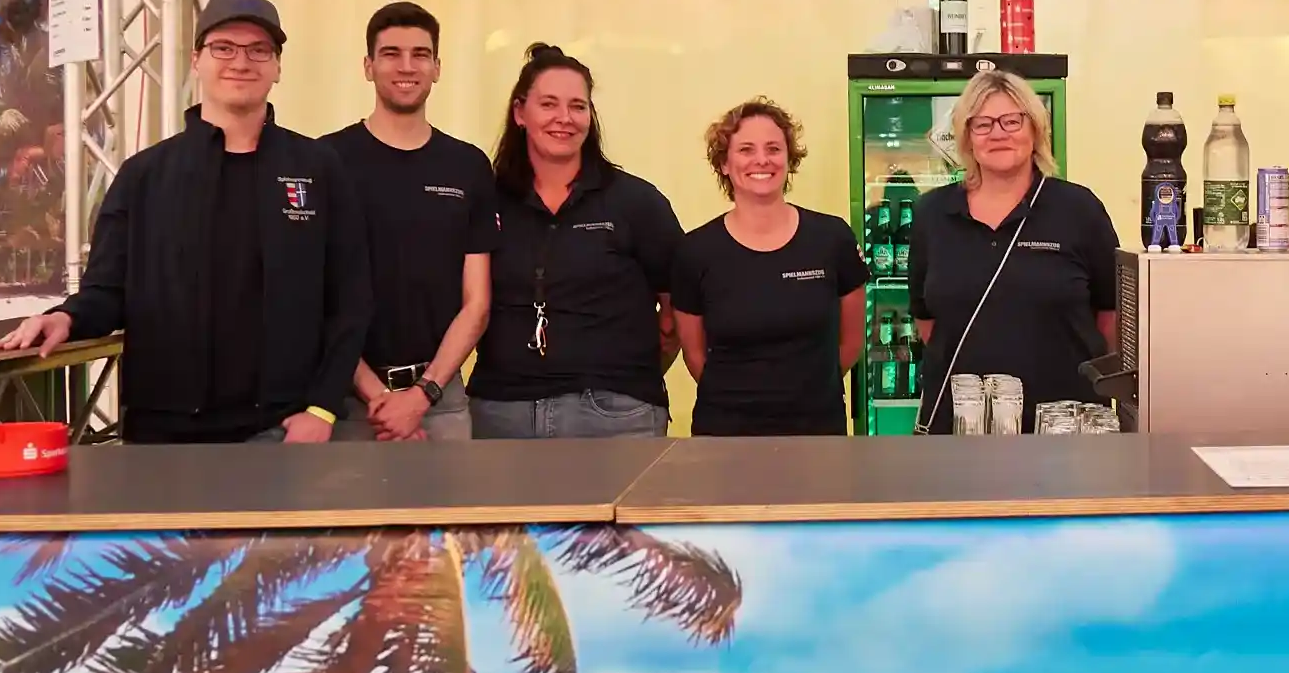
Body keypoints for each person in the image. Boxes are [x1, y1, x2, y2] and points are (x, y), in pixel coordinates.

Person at [0, 0, 370, 444]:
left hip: (284, 429)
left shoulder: (318, 168)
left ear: (277, 67)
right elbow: (106, 292)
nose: (241, 62)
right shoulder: (144, 175)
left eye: (258, 50)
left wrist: (322, 408)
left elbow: (351, 301)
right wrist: (66, 318)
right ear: (196, 60)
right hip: (164, 432)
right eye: (223, 47)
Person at [469, 44, 683, 439]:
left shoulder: (636, 202)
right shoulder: (486, 201)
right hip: (501, 414)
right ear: (520, 113)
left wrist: (623, 381)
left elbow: (677, 314)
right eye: (549, 104)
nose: (564, 118)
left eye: (578, 106)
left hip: (615, 417)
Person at [908, 68, 1119, 433]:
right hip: (961, 427)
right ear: (967, 137)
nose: (998, 133)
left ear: (1035, 129)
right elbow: (927, 321)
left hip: (1062, 429)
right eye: (982, 124)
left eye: (1011, 121)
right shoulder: (932, 214)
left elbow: (1111, 314)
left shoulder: (1079, 209)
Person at [322, 1, 496, 442]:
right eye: (391, 53)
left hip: (441, 400)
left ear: (437, 68)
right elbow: (315, 297)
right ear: (368, 67)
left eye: (420, 54)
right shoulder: (325, 160)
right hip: (349, 404)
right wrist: (380, 398)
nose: (406, 66)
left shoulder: (468, 166)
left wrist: (422, 396)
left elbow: (476, 302)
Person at [672, 98, 868, 436]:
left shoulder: (832, 238)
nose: (762, 160)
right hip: (726, 436)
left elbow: (851, 341)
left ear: (789, 159)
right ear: (724, 163)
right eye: (746, 149)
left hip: (817, 434)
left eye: (774, 149)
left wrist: (807, 394)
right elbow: (695, 355)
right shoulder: (696, 251)